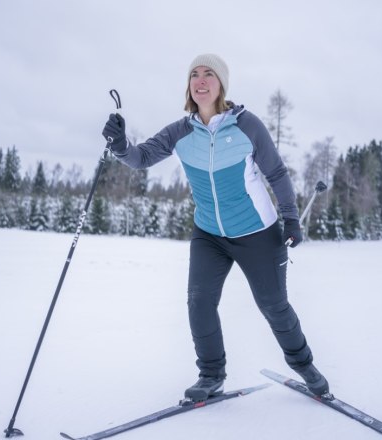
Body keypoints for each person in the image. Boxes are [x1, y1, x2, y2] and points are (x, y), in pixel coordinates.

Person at [101, 53, 328, 401]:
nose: (200, 80)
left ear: (221, 84)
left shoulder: (247, 125)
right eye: (194, 74)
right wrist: (120, 145)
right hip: (209, 234)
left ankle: (304, 365)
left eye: (209, 74)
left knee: (273, 305)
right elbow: (142, 157)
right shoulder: (181, 131)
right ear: (189, 85)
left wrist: (291, 218)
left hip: (257, 234)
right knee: (199, 302)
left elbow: (277, 173)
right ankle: (211, 374)